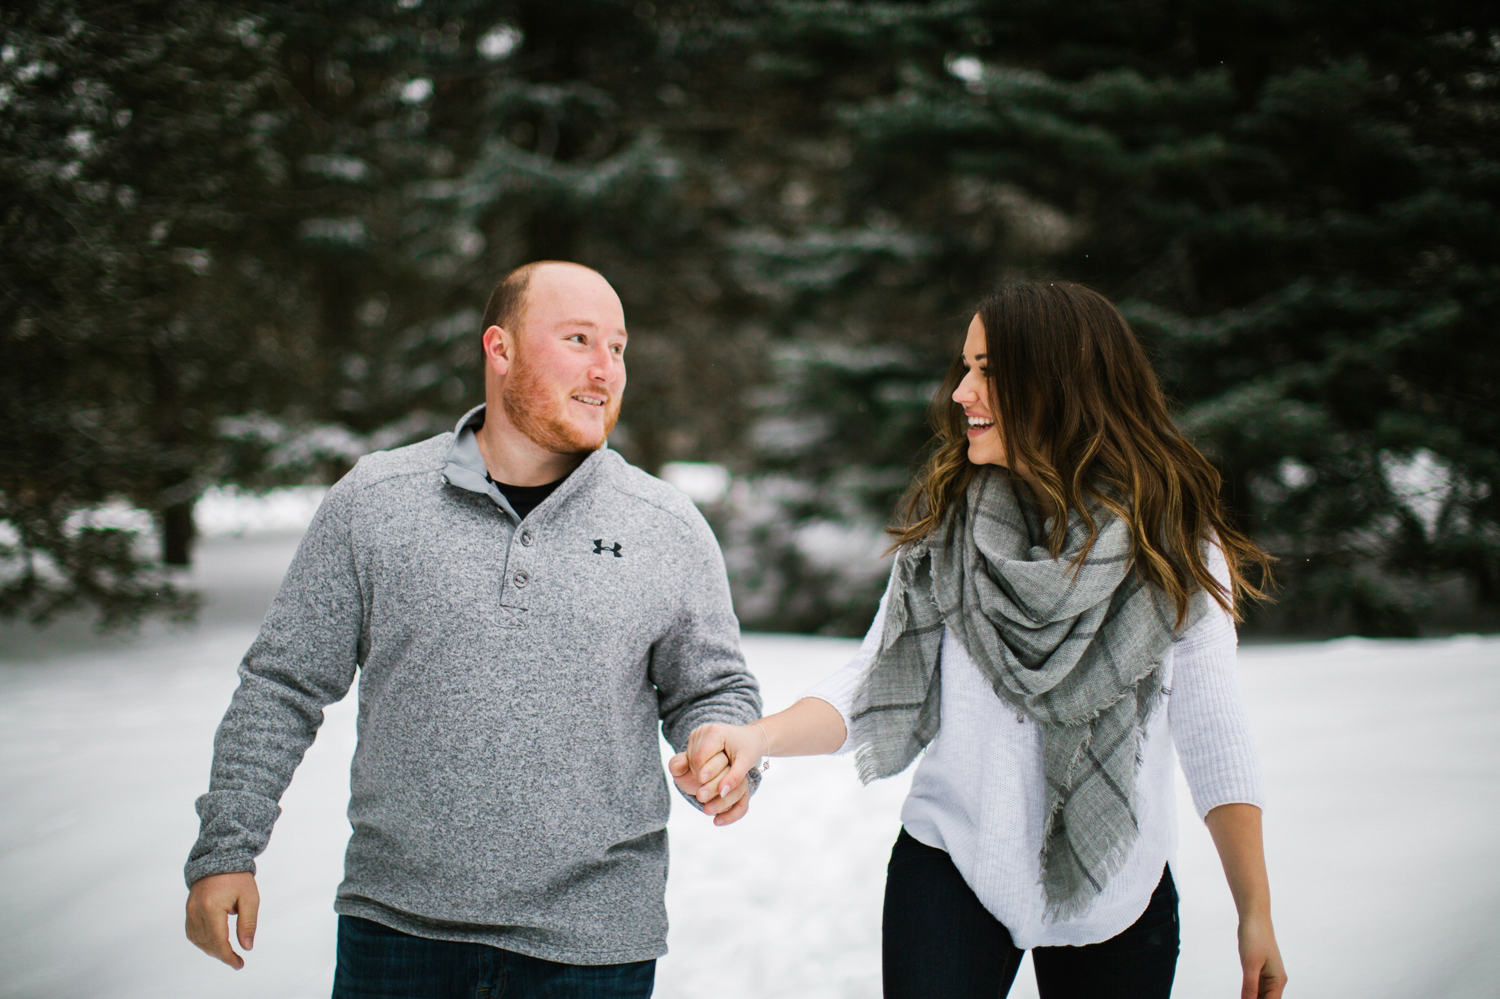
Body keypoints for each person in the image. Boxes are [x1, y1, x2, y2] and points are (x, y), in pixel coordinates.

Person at [669, 281, 1288, 999]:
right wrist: (759, 737)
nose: (962, 391)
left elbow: (1214, 732)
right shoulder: (948, 532)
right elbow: (877, 680)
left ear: (1058, 383)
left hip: (1116, 881)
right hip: (953, 863)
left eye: (988, 370)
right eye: (965, 367)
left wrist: (1256, 911)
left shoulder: (1172, 545)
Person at [184, 261, 762, 999]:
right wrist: (226, 849)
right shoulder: (376, 502)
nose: (605, 368)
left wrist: (721, 748)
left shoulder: (664, 525)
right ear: (501, 348)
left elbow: (713, 687)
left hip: (592, 949)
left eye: (618, 348)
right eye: (579, 338)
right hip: (397, 934)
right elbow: (282, 684)